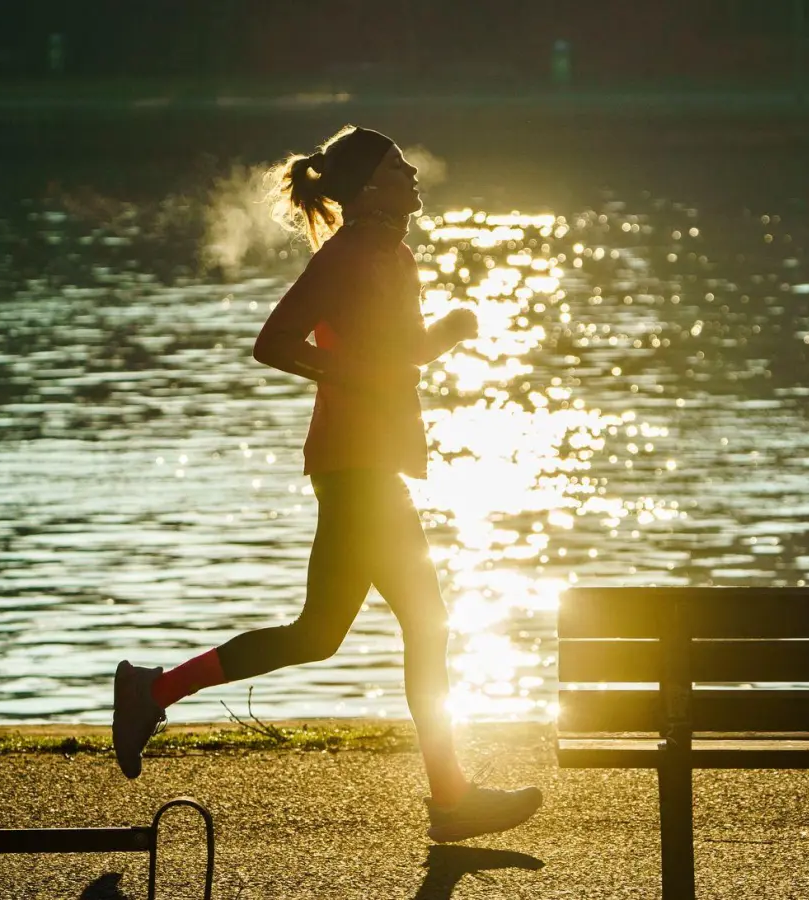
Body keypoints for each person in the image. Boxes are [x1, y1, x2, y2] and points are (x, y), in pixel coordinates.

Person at [112, 125, 543, 844]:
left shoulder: (393, 254)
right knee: (422, 626)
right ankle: (451, 799)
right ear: (370, 187)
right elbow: (274, 342)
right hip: (353, 466)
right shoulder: (346, 256)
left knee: (319, 635)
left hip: (372, 465)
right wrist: (354, 374)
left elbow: (398, 355)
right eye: (398, 167)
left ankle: (153, 689)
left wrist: (451, 332)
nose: (413, 174)